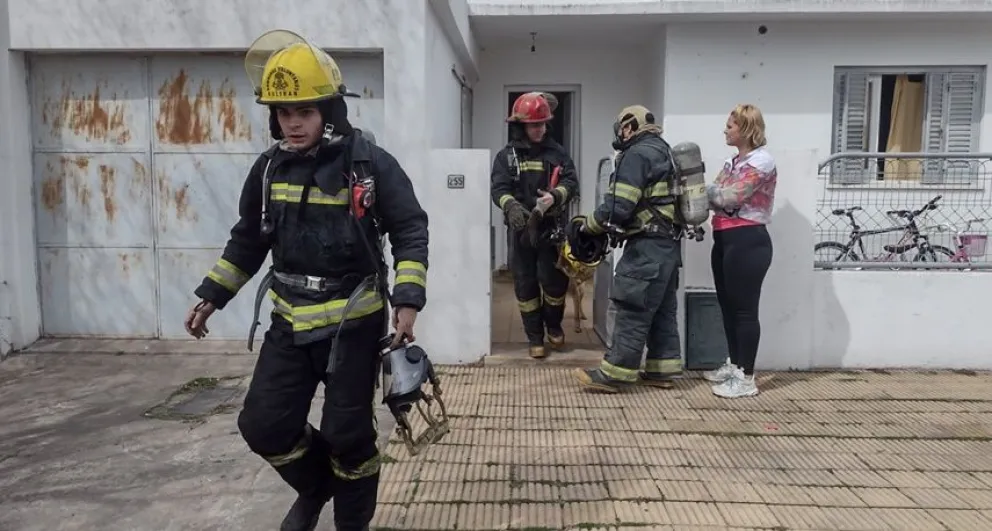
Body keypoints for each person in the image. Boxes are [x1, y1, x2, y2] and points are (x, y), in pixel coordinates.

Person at [182, 29, 429, 531]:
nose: (291, 124)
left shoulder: (369, 165)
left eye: (304, 112)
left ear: (330, 112)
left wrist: (408, 301)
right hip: (289, 323)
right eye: (282, 112)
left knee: (349, 436)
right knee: (263, 425)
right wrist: (212, 295)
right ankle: (317, 486)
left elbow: (410, 230)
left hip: (353, 325)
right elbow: (249, 238)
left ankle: (350, 523)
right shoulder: (269, 169)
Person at [572, 105, 683, 393]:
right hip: (669, 245)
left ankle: (615, 374)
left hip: (646, 247)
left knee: (631, 309)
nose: (619, 134)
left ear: (629, 127)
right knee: (661, 310)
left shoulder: (636, 155)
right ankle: (662, 369)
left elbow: (618, 207)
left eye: (621, 128)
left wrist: (588, 226)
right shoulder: (665, 151)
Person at [491, 92, 579, 359]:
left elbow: (572, 181)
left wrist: (556, 195)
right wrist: (511, 206)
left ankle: (553, 325)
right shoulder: (506, 157)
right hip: (520, 231)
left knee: (554, 283)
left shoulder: (558, 152)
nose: (539, 129)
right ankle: (535, 338)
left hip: (550, 227)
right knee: (525, 284)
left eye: (542, 124)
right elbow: (499, 189)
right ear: (521, 126)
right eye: (533, 125)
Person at [703, 103, 776, 399]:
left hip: (747, 240)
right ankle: (734, 364)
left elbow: (732, 195)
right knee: (727, 306)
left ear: (746, 128)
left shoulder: (762, 161)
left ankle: (746, 377)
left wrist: (707, 193)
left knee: (744, 310)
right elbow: (716, 194)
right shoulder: (732, 162)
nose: (725, 130)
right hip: (723, 237)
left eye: (731, 125)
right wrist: (711, 194)